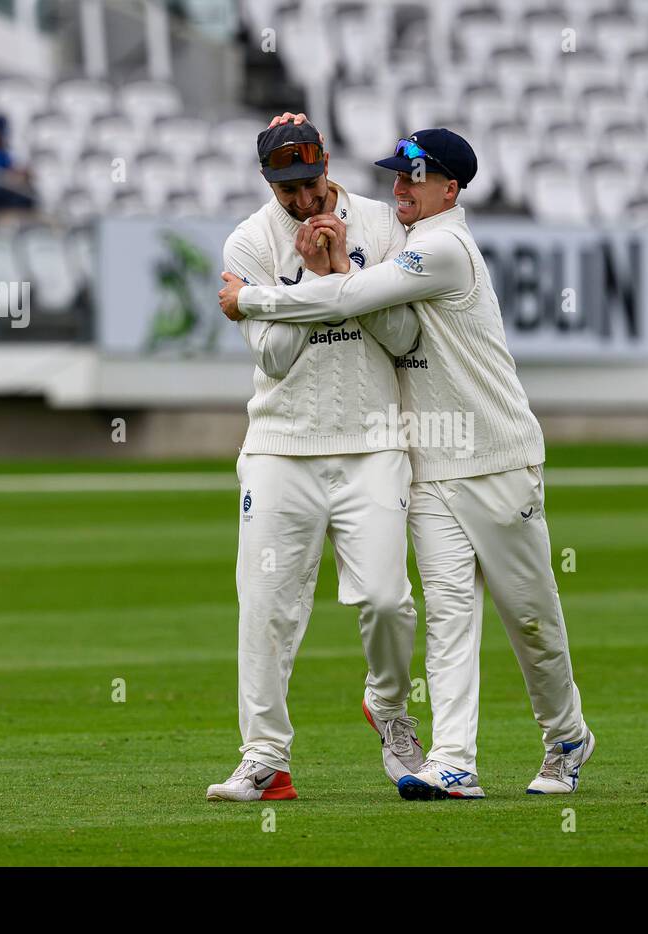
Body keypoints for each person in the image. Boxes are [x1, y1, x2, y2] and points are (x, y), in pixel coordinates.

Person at [219, 118, 593, 800]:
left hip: (495, 451)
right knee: (449, 613)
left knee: (531, 617)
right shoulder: (366, 235)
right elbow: (290, 347)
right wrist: (319, 275)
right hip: (425, 457)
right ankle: (454, 759)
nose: (399, 187)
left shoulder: (439, 245)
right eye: (395, 175)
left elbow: (374, 312)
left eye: (414, 178)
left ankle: (567, 734)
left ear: (450, 188)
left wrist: (253, 298)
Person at [205, 118, 426, 802]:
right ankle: (265, 758)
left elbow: (403, 333)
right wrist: (309, 270)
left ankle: (388, 710)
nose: (301, 202)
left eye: (308, 184)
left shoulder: (384, 227)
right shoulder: (251, 238)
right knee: (265, 607)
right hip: (280, 446)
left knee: (389, 602)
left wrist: (338, 275)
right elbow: (271, 356)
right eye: (286, 190)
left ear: (327, 166)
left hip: (373, 441)